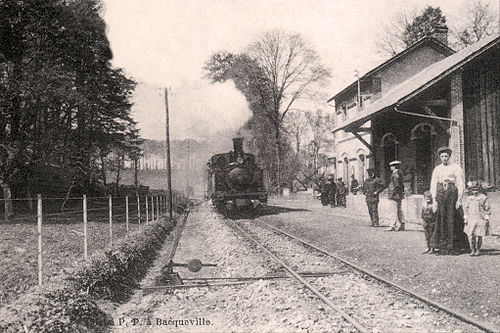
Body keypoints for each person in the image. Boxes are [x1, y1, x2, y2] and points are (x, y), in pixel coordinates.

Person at [429, 146, 465, 255]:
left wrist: (459, 199)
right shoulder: (437, 169)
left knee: (452, 218)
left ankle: (452, 246)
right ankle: (442, 246)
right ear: (439, 157)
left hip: (451, 194)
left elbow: (460, 183)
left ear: (449, 156)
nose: (444, 158)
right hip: (440, 194)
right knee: (441, 218)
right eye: (442, 156)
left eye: (446, 156)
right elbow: (433, 184)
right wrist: (434, 200)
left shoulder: (456, 167)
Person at [463, 181, 491, 256]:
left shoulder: (483, 198)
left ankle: (478, 249)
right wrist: (466, 216)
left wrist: (486, 216)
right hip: (471, 218)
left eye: (476, 190)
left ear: (480, 190)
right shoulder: (469, 198)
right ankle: (472, 249)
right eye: (473, 190)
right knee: (471, 234)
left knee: (479, 235)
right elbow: (466, 208)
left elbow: (487, 208)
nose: (475, 191)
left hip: (480, 218)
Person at [386, 160, 405, 231]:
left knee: (393, 210)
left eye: (391, 166)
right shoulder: (398, 173)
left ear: (394, 167)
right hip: (398, 195)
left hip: (394, 195)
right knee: (399, 210)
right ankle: (402, 224)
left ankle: (392, 226)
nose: (390, 167)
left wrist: (393, 193)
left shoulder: (395, 173)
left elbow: (397, 185)